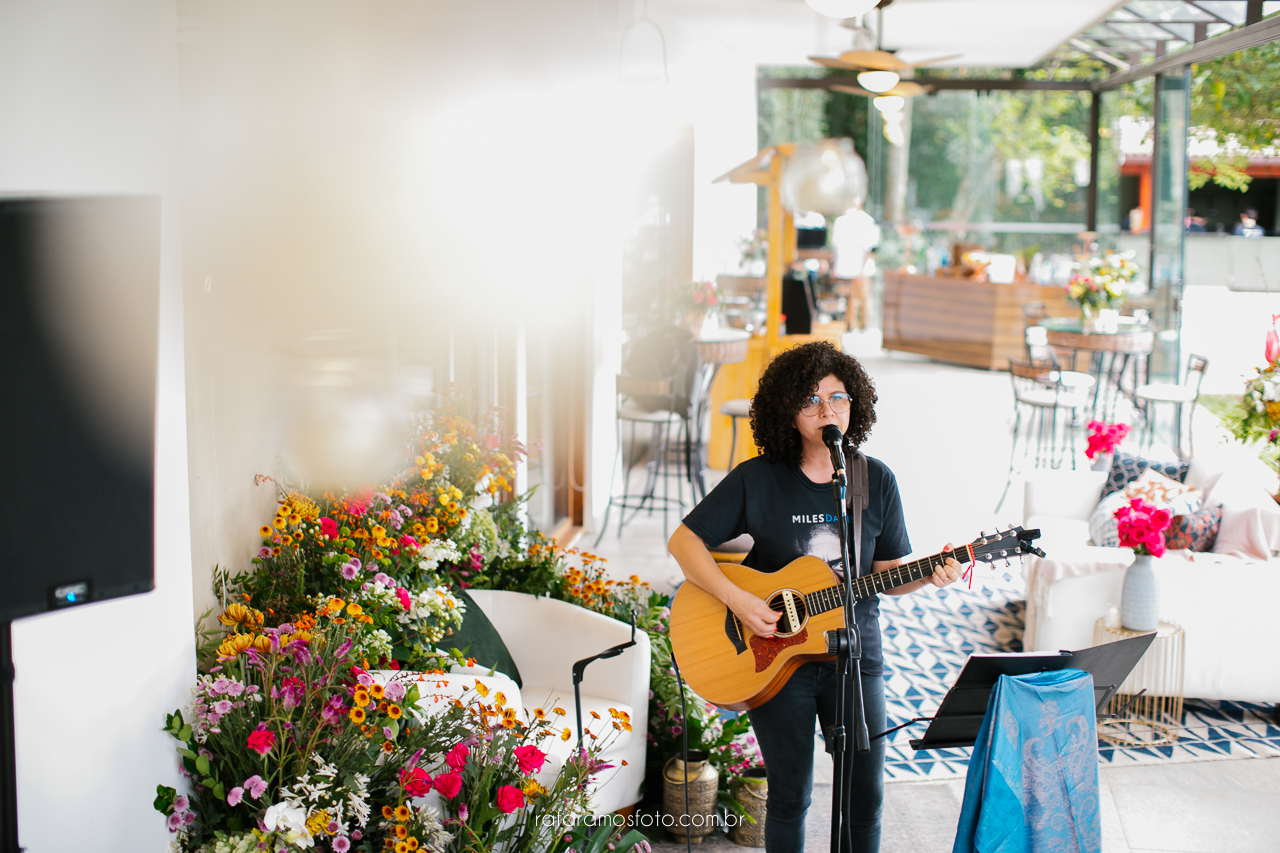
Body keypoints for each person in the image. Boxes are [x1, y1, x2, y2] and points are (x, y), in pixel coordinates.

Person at [667, 341, 964, 853]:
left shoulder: (874, 479)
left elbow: (886, 572)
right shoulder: (759, 479)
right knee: (789, 795)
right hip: (776, 657)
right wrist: (739, 600)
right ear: (788, 410)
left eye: (839, 397)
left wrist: (929, 573)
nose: (828, 410)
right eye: (812, 400)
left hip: (857, 654)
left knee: (866, 798)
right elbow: (684, 541)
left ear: (857, 404)